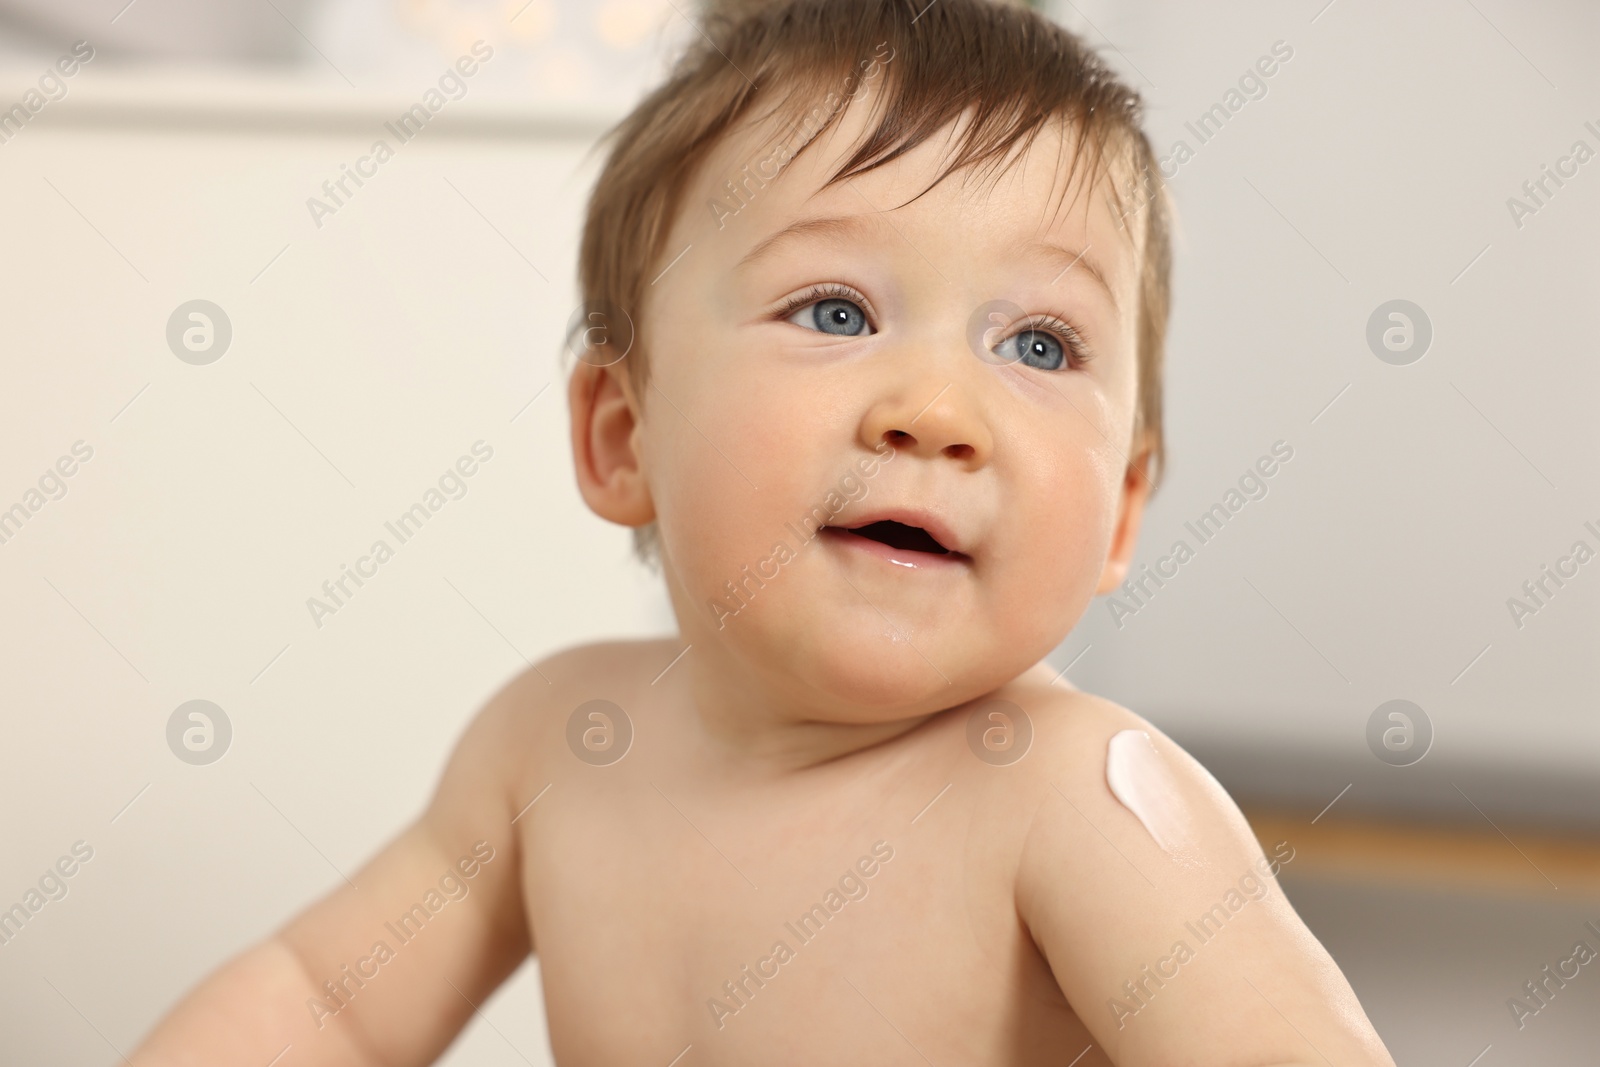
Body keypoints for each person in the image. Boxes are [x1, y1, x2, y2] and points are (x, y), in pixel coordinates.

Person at [132, 0, 1395, 1062]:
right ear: (623, 438)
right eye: (836, 312)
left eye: (1038, 343)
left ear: (1120, 507)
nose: (937, 412)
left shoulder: (1079, 802)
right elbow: (326, 1004)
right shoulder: (556, 747)